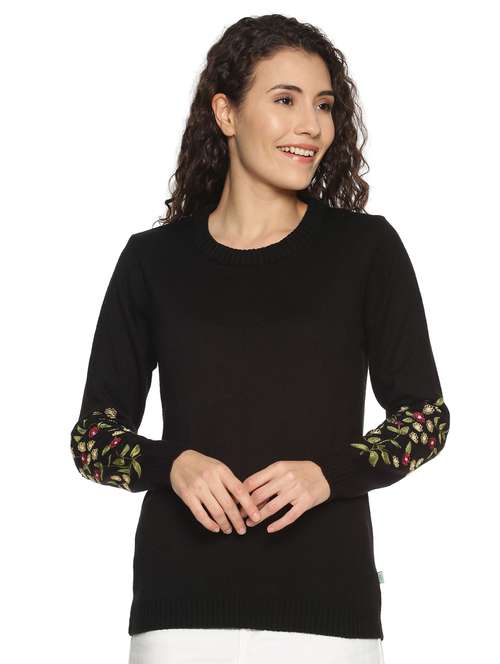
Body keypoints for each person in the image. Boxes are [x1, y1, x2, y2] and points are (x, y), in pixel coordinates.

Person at [70, 14, 450, 664]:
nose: (312, 126)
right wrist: (172, 464)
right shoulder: (153, 261)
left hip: (328, 616)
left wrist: (328, 475)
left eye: (323, 105)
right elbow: (93, 438)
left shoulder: (365, 250)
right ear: (226, 113)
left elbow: (425, 418)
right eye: (285, 100)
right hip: (179, 616)